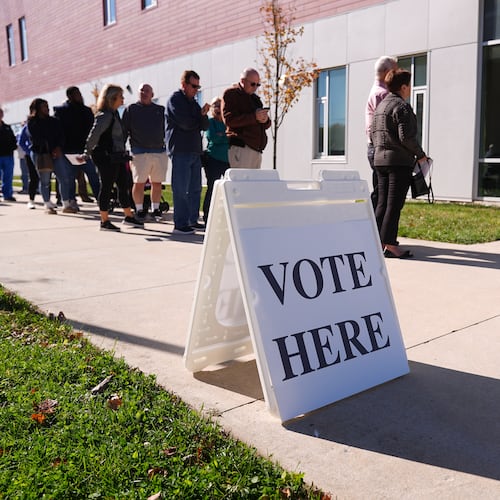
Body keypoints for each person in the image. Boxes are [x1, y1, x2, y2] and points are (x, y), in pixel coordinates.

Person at [371, 68, 428, 259]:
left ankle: (377, 242)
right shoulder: (401, 107)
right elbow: (406, 137)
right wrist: (420, 155)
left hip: (380, 161)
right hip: (398, 162)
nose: (410, 89)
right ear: (403, 86)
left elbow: (373, 134)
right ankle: (391, 245)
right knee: (394, 204)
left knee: (382, 203)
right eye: (410, 85)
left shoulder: (381, 106)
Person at [80, 84, 143, 231]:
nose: (123, 99)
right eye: (120, 96)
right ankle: (104, 221)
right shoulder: (105, 115)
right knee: (107, 187)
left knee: (123, 185)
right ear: (112, 98)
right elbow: (93, 136)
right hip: (106, 157)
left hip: (117, 156)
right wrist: (86, 153)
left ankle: (128, 216)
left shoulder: (114, 114)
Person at [165, 70, 209, 234]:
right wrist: (199, 117)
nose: (196, 89)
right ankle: (180, 223)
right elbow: (185, 123)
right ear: (184, 84)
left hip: (194, 150)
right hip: (181, 150)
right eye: (194, 86)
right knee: (181, 188)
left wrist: (202, 115)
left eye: (198, 86)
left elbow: (204, 126)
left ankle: (192, 220)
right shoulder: (175, 100)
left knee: (195, 188)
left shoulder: (193, 102)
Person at [122, 83, 168, 222]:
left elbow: (167, 129)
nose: (144, 92)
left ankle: (155, 209)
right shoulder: (131, 109)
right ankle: (140, 209)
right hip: (139, 151)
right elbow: (124, 130)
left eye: (147, 90)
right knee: (139, 182)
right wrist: (122, 149)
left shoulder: (160, 110)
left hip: (159, 151)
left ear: (152, 95)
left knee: (157, 182)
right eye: (141, 90)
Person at [54, 86, 101, 207]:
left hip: (84, 149)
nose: (80, 96)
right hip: (69, 149)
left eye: (79, 93)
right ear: (69, 96)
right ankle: (70, 200)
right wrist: (59, 146)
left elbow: (92, 128)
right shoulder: (61, 111)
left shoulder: (86, 111)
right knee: (69, 177)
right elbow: (58, 131)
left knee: (92, 175)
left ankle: (101, 200)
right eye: (76, 94)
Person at [27, 99, 76, 214]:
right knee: (45, 180)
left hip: (56, 152)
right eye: (44, 106)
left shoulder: (54, 121)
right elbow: (36, 138)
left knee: (64, 178)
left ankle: (66, 204)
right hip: (41, 154)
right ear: (38, 108)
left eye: (47, 106)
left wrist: (58, 147)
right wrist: (49, 149)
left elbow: (61, 135)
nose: (47, 109)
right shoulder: (32, 122)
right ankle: (48, 204)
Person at [365, 56, 398, 210]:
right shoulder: (382, 95)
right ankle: (374, 231)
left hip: (376, 149)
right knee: (382, 199)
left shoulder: (377, 91)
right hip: (380, 149)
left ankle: (374, 230)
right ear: (387, 72)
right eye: (395, 70)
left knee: (380, 195)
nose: (397, 74)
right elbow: (387, 126)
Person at [221, 67, 271, 169]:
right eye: (253, 84)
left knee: (252, 184)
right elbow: (229, 120)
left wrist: (265, 120)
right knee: (242, 183)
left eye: (258, 85)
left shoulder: (255, 99)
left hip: (256, 149)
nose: (255, 87)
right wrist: (254, 117)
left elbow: (264, 123)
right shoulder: (231, 94)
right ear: (243, 81)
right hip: (242, 148)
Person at [202, 97, 229, 223]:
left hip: (228, 160)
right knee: (212, 187)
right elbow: (213, 138)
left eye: (220, 105)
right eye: (215, 105)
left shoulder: (227, 122)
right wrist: (224, 136)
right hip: (213, 159)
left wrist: (222, 136)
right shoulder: (210, 122)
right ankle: (208, 217)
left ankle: (226, 217)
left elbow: (231, 137)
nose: (218, 108)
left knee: (228, 189)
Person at [18, 123, 40, 209]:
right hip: (30, 155)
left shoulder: (45, 124)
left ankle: (47, 200)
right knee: (33, 177)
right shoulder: (27, 127)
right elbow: (21, 141)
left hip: (44, 154)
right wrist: (28, 151)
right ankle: (31, 200)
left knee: (46, 177)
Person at [0, 107, 18, 202]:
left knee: (8, 176)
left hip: (8, 155)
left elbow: (13, 139)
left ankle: (7, 195)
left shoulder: (7, 127)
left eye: (1, 113)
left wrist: (13, 146)